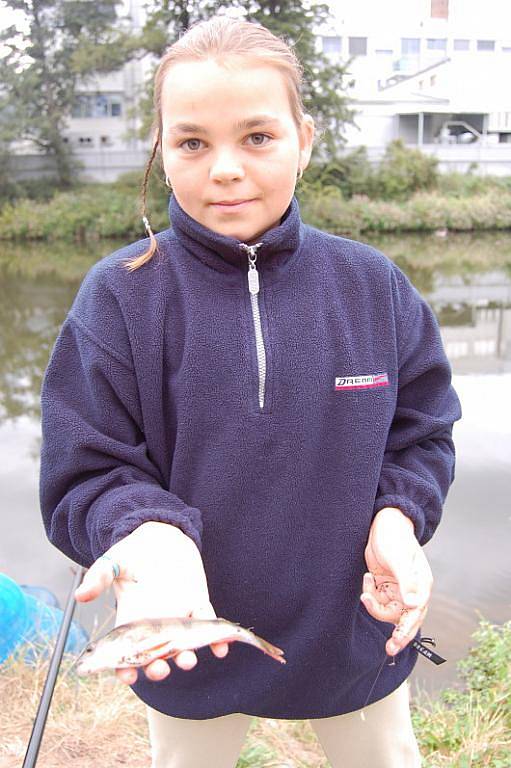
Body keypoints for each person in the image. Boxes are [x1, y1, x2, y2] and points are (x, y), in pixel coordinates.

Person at [39, 14, 462, 768]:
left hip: (354, 630)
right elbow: (86, 469)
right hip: (181, 630)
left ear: (305, 138)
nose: (225, 168)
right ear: (162, 151)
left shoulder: (373, 286)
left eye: (257, 137)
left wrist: (397, 518)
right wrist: (145, 531)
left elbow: (422, 433)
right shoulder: (117, 298)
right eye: (192, 142)